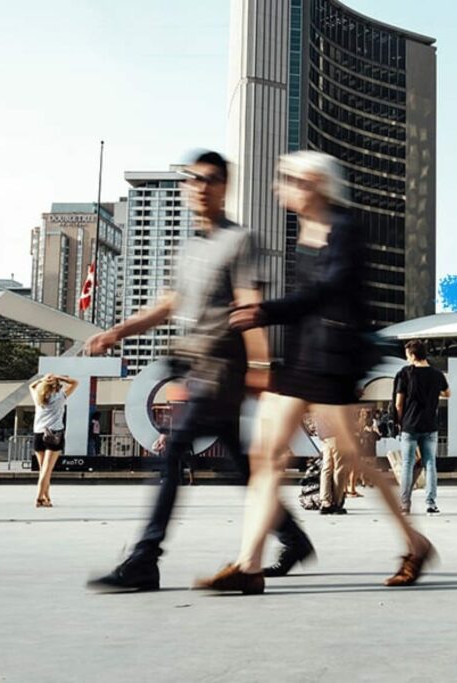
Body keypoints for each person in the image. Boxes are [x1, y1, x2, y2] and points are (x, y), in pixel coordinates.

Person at [195, 151, 434, 594]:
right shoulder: (305, 232)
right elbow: (309, 302)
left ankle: (415, 543)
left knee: (357, 460)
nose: (278, 186)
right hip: (302, 359)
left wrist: (263, 311)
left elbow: (327, 293)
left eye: (288, 178)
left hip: (332, 363)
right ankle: (248, 565)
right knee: (266, 455)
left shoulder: (345, 229)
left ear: (314, 184)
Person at [86, 150, 314, 592]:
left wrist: (262, 369)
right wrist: (119, 330)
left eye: (210, 179)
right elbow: (169, 304)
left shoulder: (240, 240)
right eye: (193, 179)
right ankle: (293, 536)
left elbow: (250, 304)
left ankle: (144, 558)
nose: (200, 187)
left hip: (223, 370)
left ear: (225, 186)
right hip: (194, 368)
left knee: (172, 453)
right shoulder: (188, 247)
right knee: (239, 467)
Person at [395, 339, 450, 516]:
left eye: (407, 356)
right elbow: (448, 393)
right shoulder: (436, 374)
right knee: (430, 465)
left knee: (407, 465)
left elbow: (398, 404)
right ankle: (431, 504)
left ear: (412, 355)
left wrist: (401, 422)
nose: (407, 360)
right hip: (430, 426)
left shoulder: (405, 373)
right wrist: (435, 392)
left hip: (409, 426)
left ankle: (405, 505)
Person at [28, 373, 79, 507]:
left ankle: (47, 498)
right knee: (47, 469)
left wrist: (43, 379)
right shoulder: (60, 397)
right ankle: (39, 498)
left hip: (39, 434)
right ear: (56, 385)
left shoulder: (38, 397)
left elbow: (31, 386)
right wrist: (59, 377)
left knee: (43, 470)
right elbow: (75, 382)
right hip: (54, 434)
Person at [315, 412, 347, 515]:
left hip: (325, 436)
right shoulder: (335, 398)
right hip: (337, 435)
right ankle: (337, 503)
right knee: (339, 469)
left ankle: (325, 502)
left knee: (327, 468)